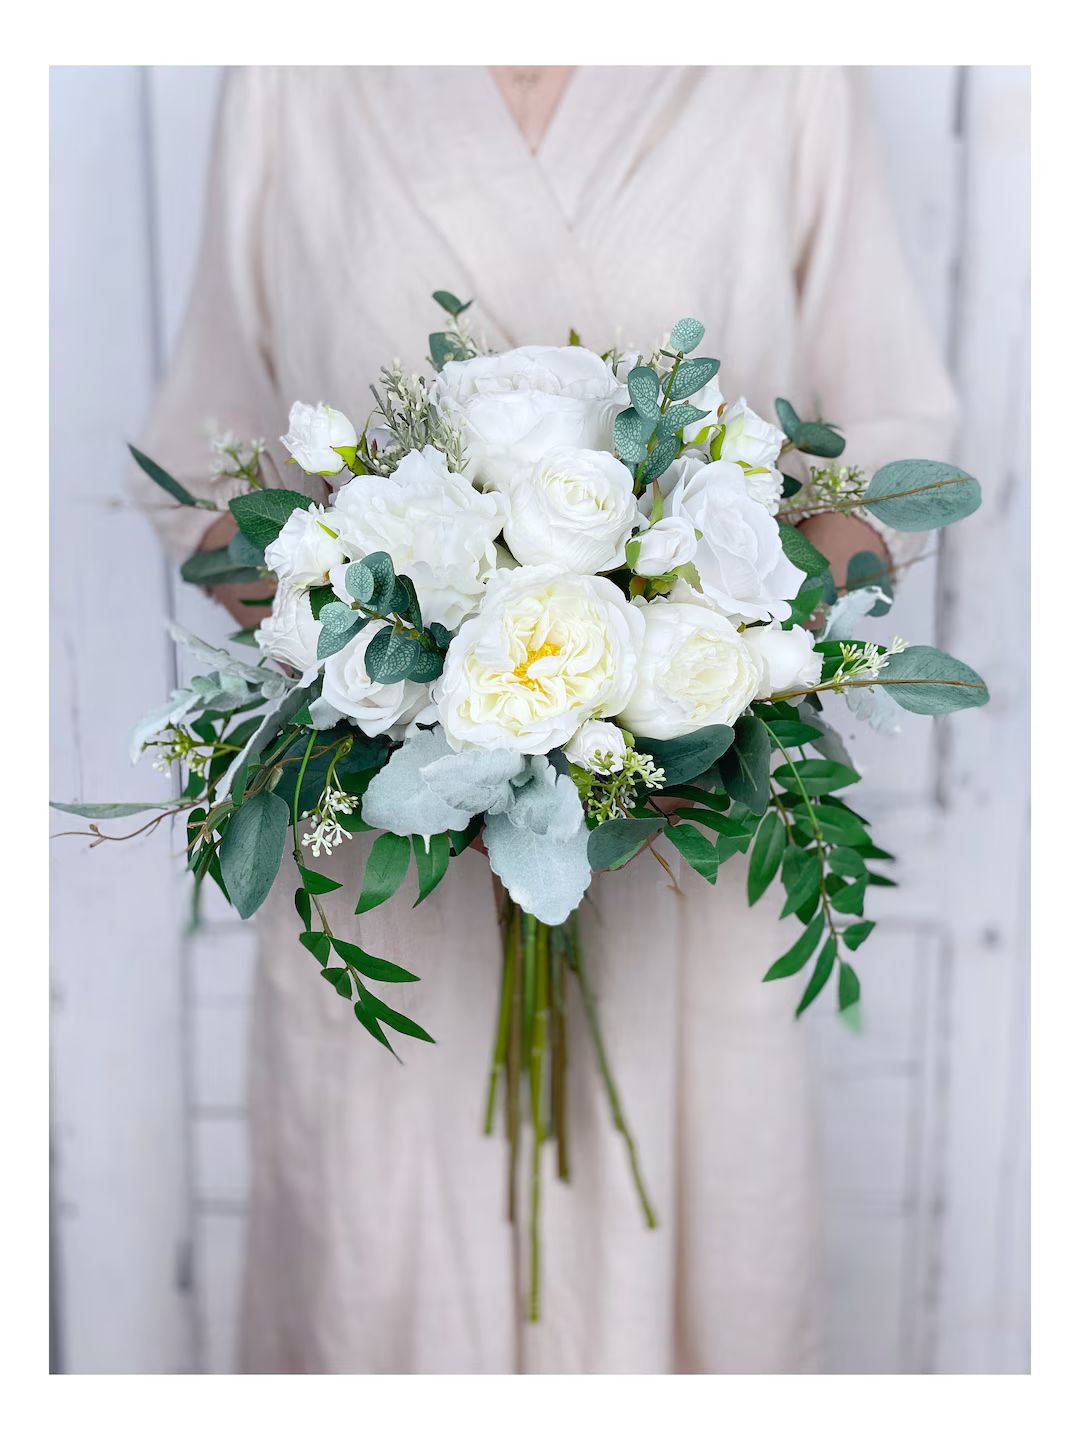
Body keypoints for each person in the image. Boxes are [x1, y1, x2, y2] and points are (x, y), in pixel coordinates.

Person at [134, 66, 955, 1374]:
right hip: (386, 893)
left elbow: (882, 457)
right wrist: (394, 684)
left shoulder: (785, 64)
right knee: (385, 1294)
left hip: (689, 851)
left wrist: (714, 662)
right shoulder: (292, 71)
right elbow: (206, 473)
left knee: (700, 1292)